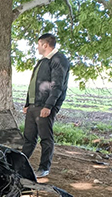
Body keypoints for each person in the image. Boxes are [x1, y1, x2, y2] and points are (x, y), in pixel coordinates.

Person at [22, 33, 69, 178]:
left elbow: (57, 85)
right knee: (28, 138)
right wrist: (28, 103)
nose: (37, 47)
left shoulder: (58, 59)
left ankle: (44, 167)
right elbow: (34, 83)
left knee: (45, 138)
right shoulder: (42, 61)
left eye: (38, 44)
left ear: (45, 44)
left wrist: (48, 106)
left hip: (45, 106)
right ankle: (19, 165)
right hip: (33, 105)